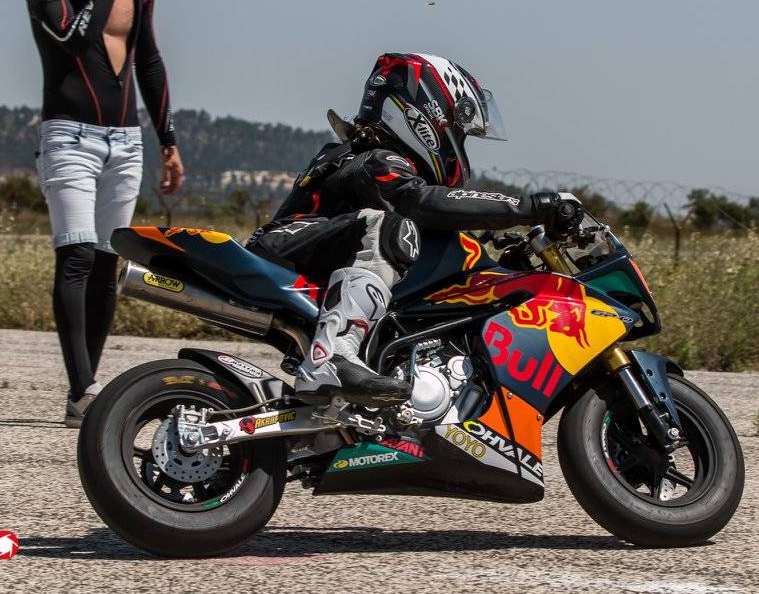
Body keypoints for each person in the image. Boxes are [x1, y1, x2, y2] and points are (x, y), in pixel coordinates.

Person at [247, 53, 582, 406]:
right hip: (282, 247)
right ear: (425, 116)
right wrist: (527, 208)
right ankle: (329, 358)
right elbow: (421, 202)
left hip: (309, 255)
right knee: (388, 227)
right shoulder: (375, 159)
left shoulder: (371, 160)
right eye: (459, 132)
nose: (459, 143)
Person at [23, 0, 184, 427]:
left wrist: (167, 140)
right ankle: (83, 388)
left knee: (107, 262)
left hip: (126, 139)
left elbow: (149, 61)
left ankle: (84, 397)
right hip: (68, 135)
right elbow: (73, 39)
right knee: (75, 255)